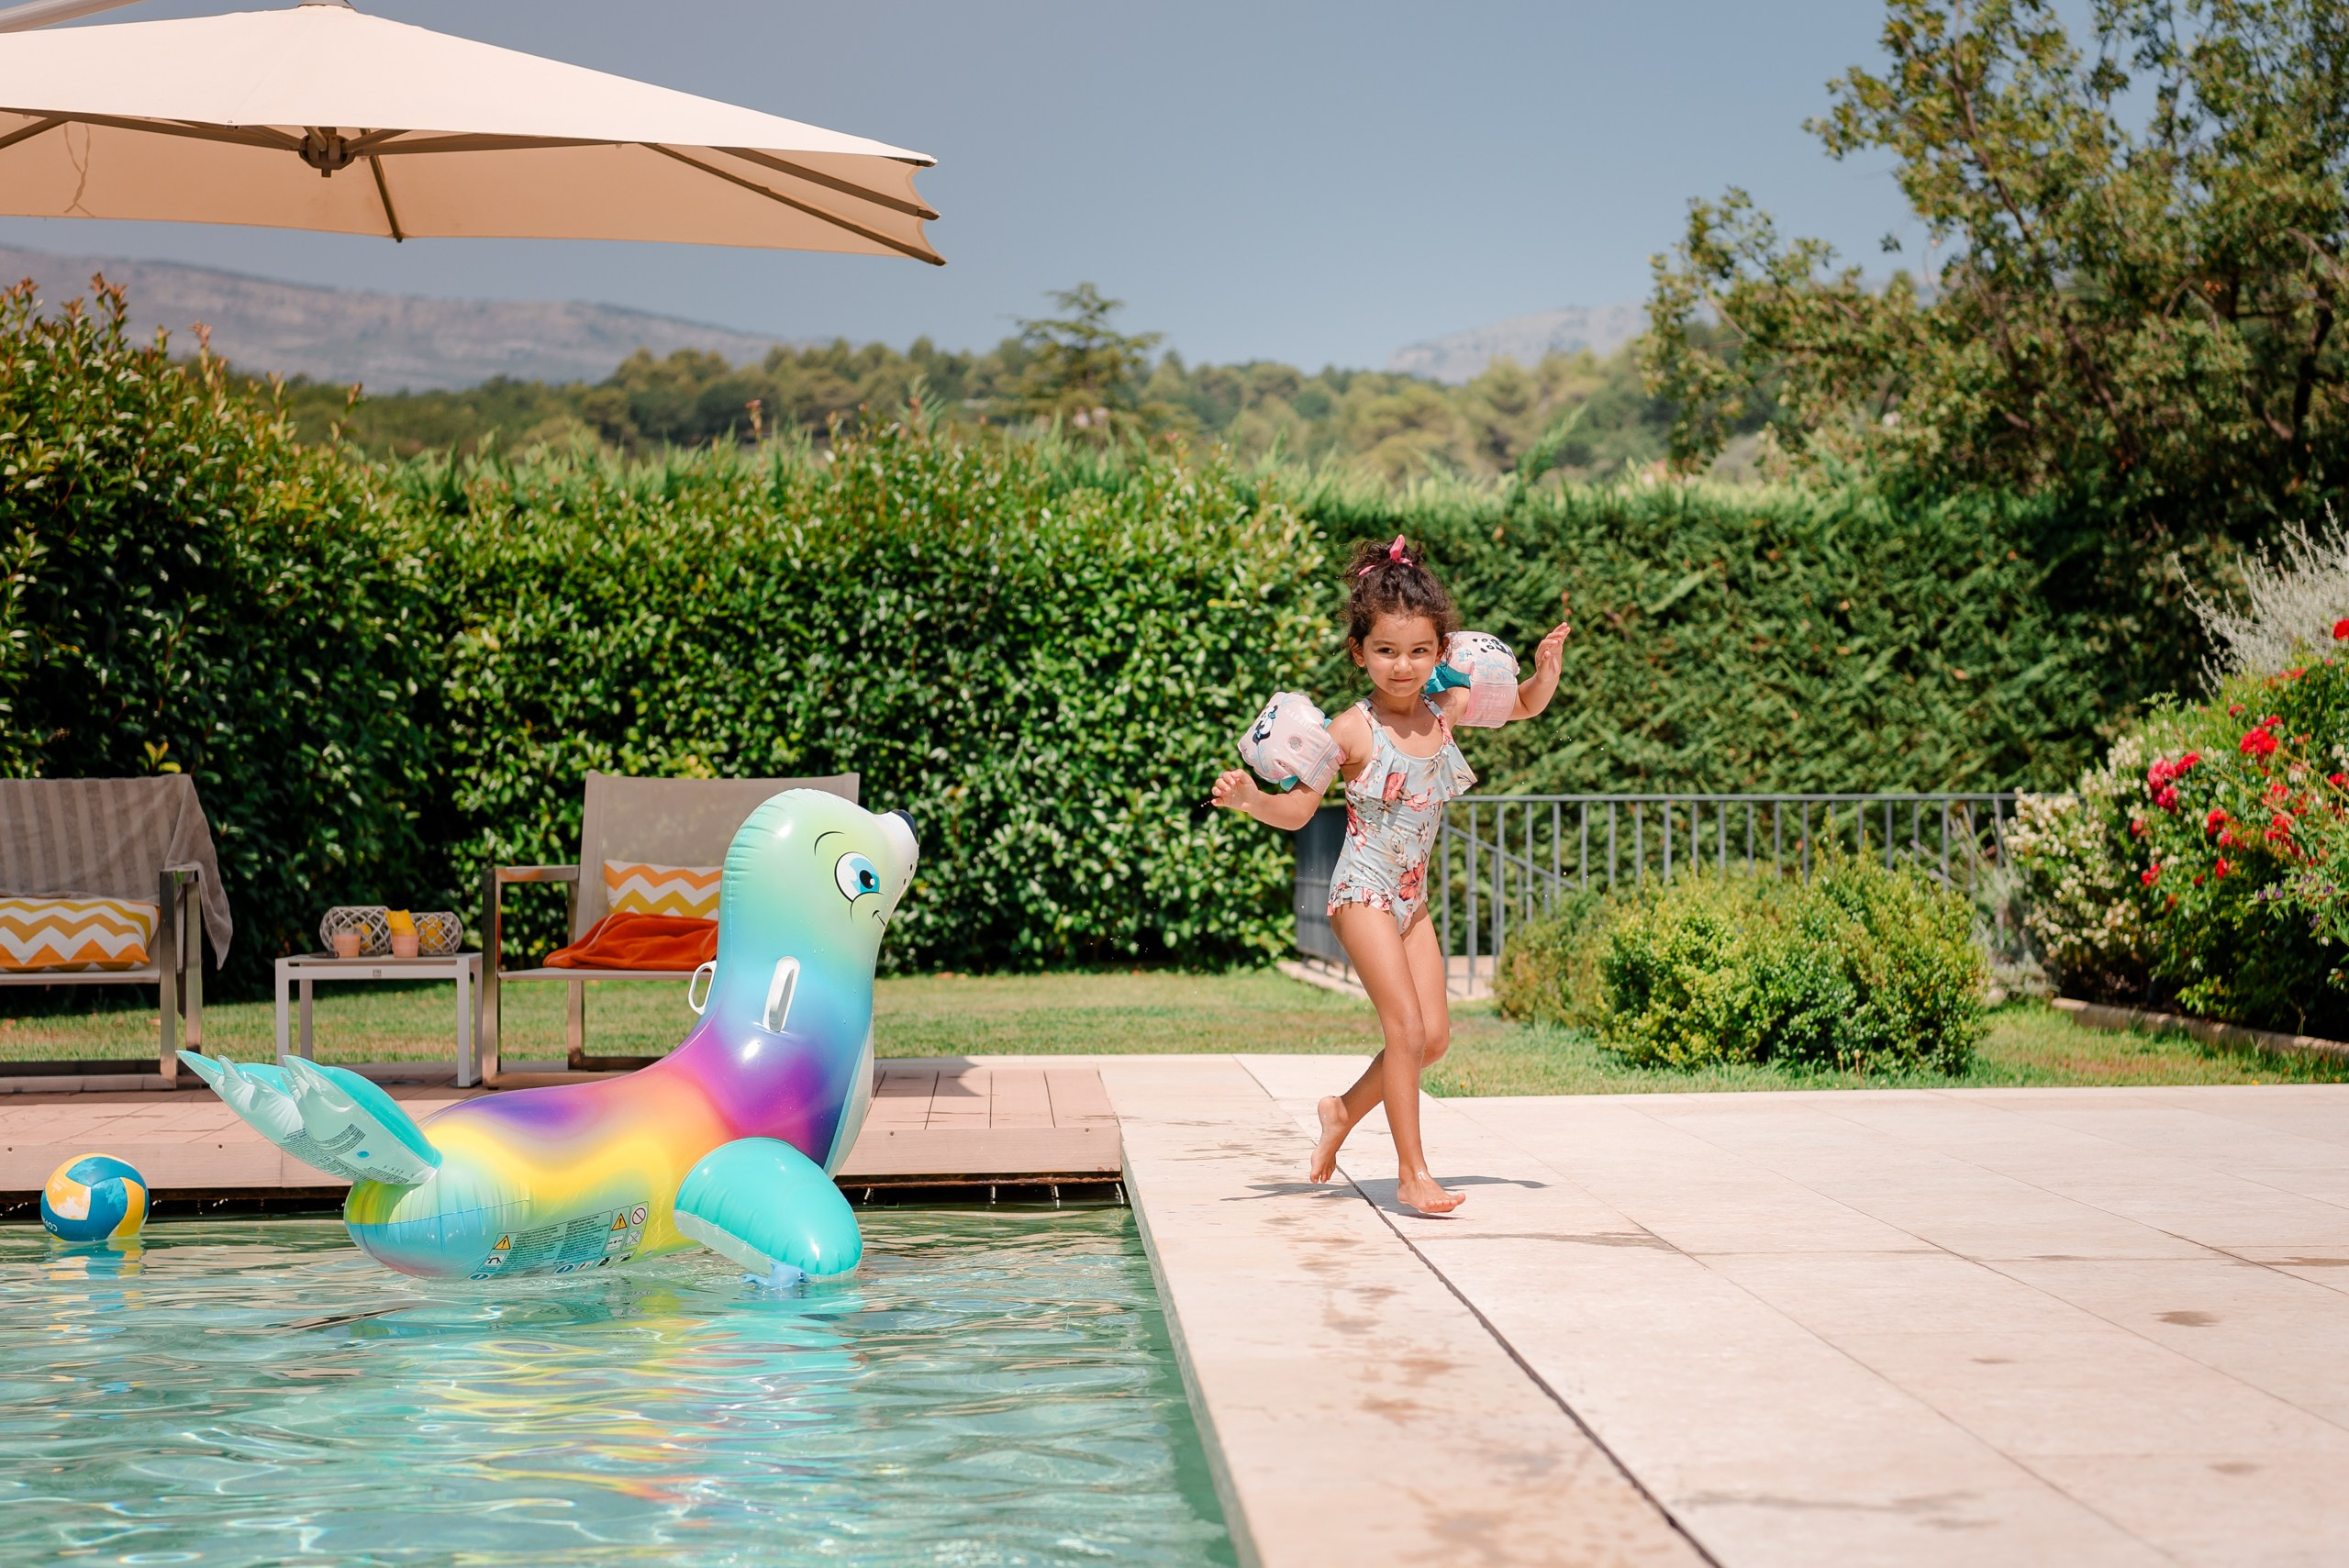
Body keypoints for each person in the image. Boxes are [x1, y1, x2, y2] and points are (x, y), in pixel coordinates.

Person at [1211, 536, 1569, 1214]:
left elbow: (1523, 704)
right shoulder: (1351, 730)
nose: (1402, 666)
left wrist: (1546, 671)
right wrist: (1251, 799)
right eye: (1385, 651)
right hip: (1362, 893)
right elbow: (1297, 810)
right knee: (1404, 1029)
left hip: (1412, 900)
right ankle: (1412, 1173)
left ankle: (1342, 1111)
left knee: (1432, 1039)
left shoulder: (1445, 709)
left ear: (1440, 652)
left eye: (1418, 651)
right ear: (1359, 652)